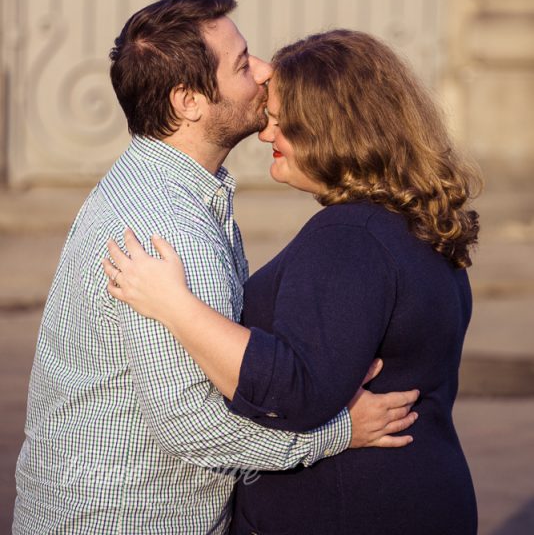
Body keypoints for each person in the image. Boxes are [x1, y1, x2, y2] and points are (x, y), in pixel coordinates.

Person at [13, 0, 419, 535]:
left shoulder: (149, 185)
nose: (265, 69)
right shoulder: (171, 230)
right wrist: (340, 431)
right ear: (189, 101)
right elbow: (194, 424)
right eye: (241, 63)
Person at [104, 28, 481, 535]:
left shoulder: (352, 237)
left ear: (330, 130)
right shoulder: (410, 221)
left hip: (354, 510)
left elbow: (293, 390)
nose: (266, 135)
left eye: (280, 122)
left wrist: (173, 304)